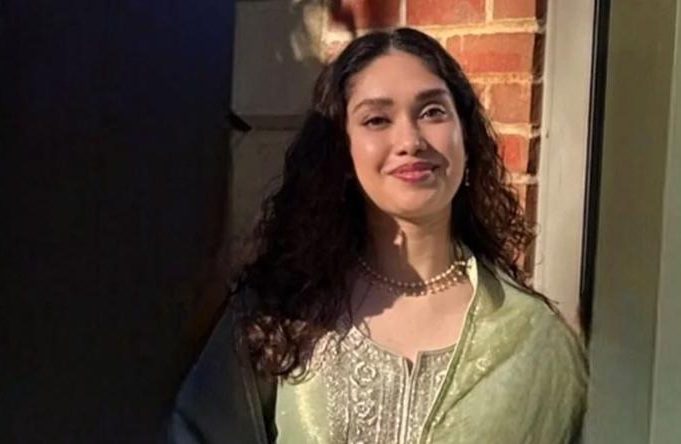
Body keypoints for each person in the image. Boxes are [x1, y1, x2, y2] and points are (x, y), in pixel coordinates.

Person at [169, 27, 586, 444]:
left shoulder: (532, 340)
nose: (410, 141)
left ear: (466, 138)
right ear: (341, 151)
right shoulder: (280, 314)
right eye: (376, 120)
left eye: (432, 112)